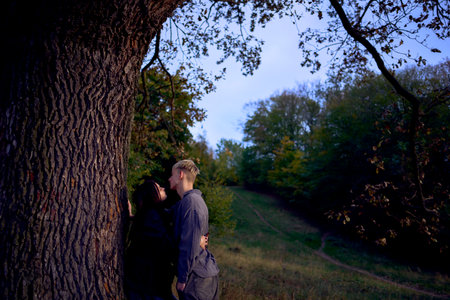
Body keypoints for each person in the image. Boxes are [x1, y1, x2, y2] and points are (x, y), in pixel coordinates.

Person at [169, 160, 220, 300]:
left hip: (198, 280)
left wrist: (183, 278)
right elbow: (162, 215)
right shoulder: (185, 202)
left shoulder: (191, 203)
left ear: (180, 175)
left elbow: (190, 244)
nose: (169, 179)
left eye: (171, 175)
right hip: (201, 275)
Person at [124, 178, 177, 300]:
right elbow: (165, 245)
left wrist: (132, 217)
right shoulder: (151, 216)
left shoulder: (151, 215)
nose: (163, 188)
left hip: (148, 284)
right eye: (158, 188)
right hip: (148, 286)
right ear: (152, 195)